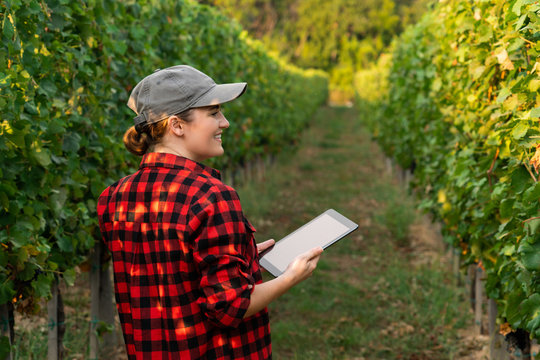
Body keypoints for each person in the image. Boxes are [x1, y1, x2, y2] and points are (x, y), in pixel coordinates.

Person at [97, 65, 323, 359]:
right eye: (214, 113)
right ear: (177, 125)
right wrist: (290, 277)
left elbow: (170, 271)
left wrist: (244, 257)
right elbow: (229, 308)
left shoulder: (113, 198)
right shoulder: (212, 197)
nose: (225, 122)